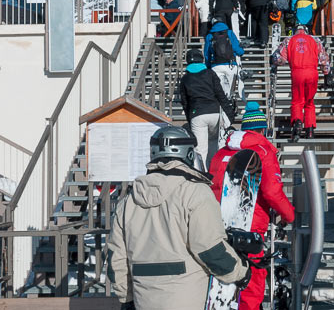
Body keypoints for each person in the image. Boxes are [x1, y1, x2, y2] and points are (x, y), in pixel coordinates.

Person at [108, 126, 251, 310]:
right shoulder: (195, 192)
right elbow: (210, 249)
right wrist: (240, 272)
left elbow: (116, 260)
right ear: (189, 155)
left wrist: (126, 298)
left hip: (144, 301)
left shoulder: (128, 202)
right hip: (188, 300)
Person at [208, 114, 294, 310]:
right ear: (262, 130)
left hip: (217, 227)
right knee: (250, 284)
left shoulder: (221, 153)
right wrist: (289, 215)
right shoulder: (263, 152)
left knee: (223, 283)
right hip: (250, 229)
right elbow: (272, 192)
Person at [271, 25, 331, 142]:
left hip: (297, 72)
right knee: (309, 102)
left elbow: (280, 59)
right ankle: (310, 130)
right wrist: (326, 73)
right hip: (312, 73)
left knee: (297, 101)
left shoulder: (289, 40)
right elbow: (323, 58)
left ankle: (297, 125)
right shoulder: (315, 40)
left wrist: (273, 60)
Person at [179, 48, 235, 169]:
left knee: (200, 150)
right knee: (214, 147)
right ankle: (215, 173)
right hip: (214, 113)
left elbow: (185, 102)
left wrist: (190, 119)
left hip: (197, 114)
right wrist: (230, 114)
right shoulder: (210, 74)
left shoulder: (185, 79)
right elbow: (220, 95)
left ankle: (201, 177)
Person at [205, 20, 246, 103]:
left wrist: (208, 65)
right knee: (230, 89)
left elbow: (206, 53)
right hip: (230, 65)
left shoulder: (210, 35)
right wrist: (241, 52)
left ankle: (220, 104)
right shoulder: (229, 33)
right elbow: (236, 47)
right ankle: (230, 103)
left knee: (218, 89)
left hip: (216, 66)